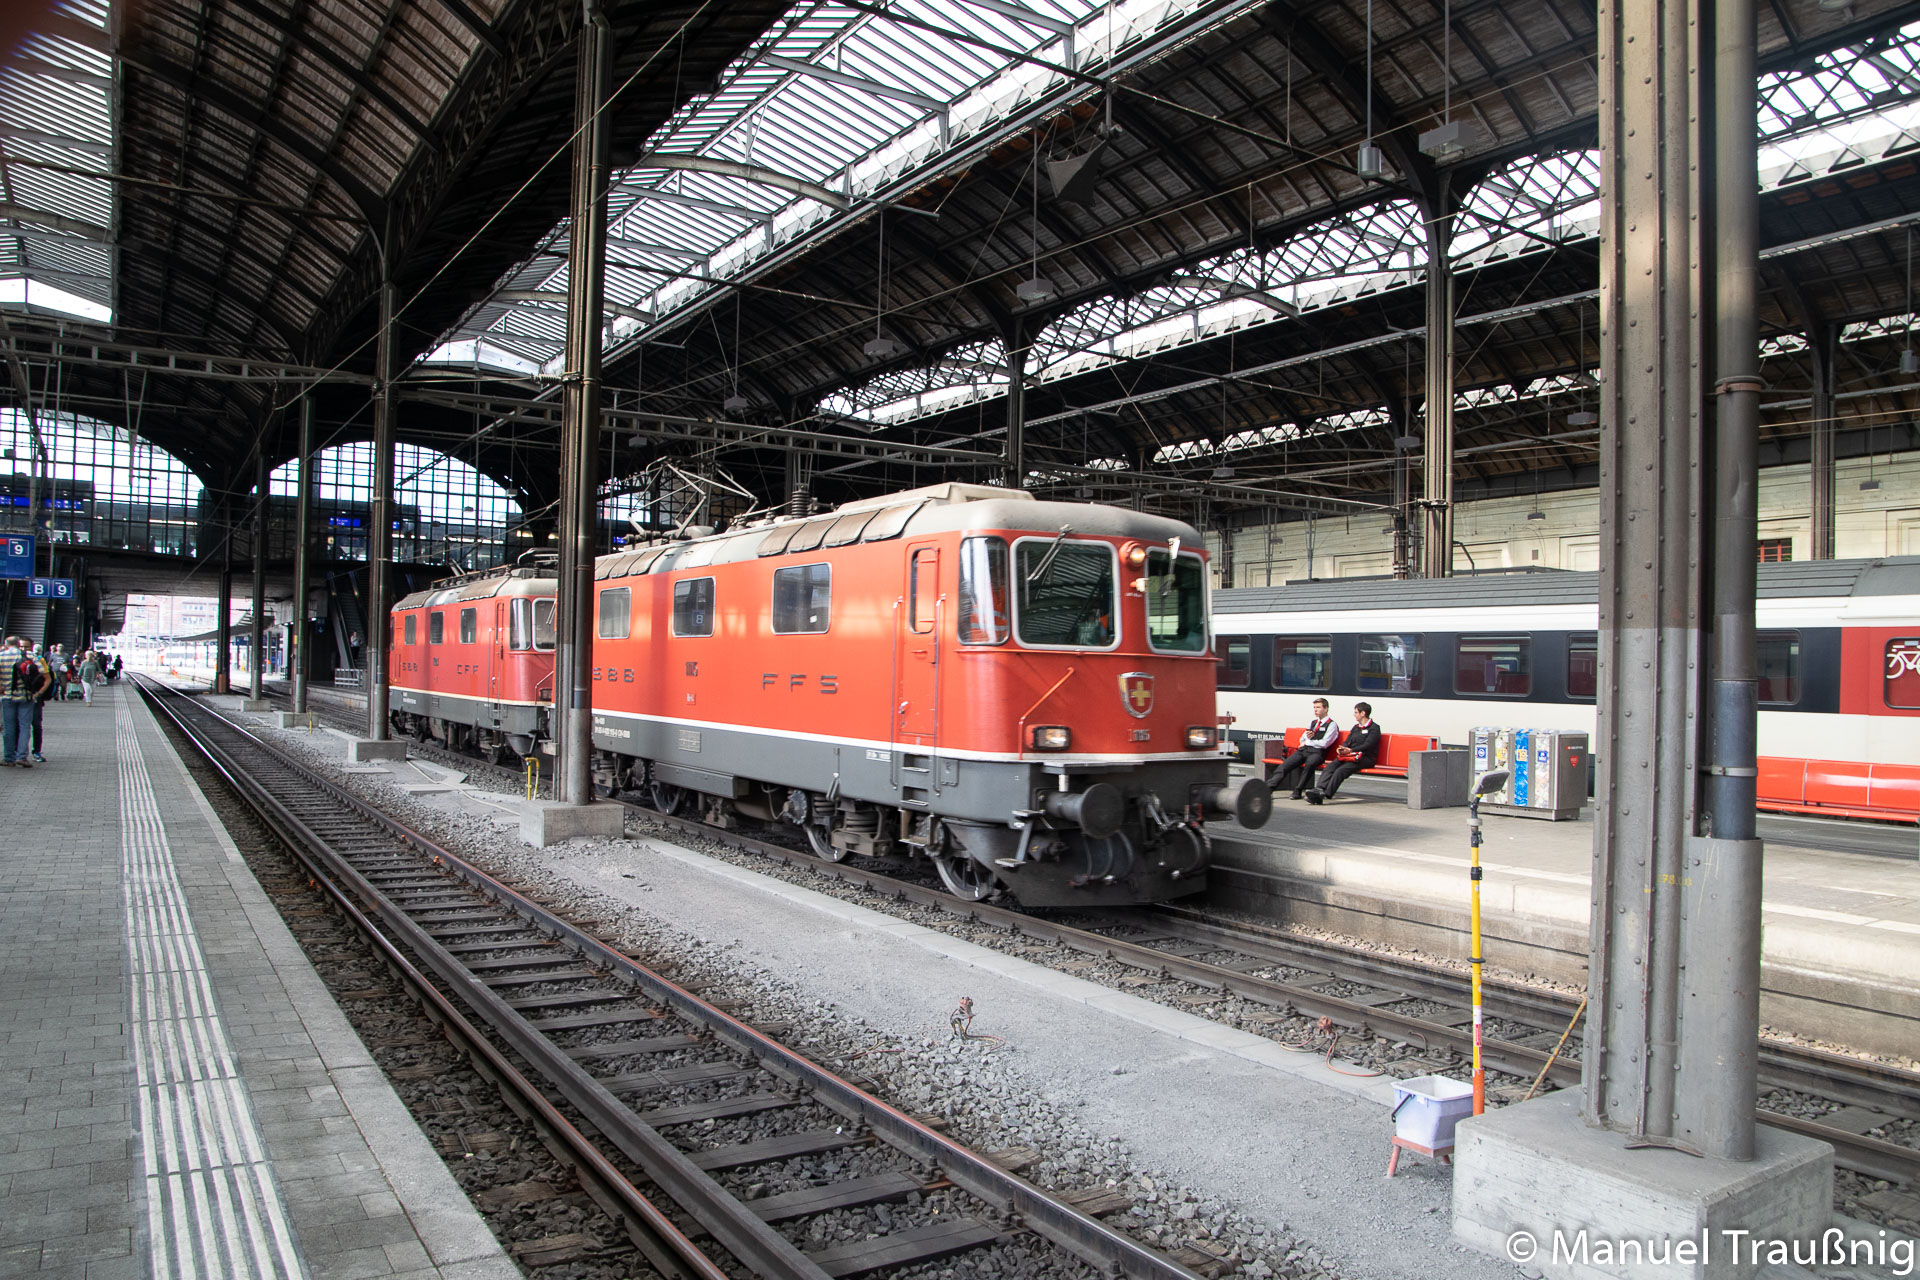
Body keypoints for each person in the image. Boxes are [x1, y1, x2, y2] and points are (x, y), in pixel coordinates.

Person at [1306, 701, 1382, 804]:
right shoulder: (1356, 727)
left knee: (1340, 771)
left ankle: (1325, 794)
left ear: (1363, 713)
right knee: (1331, 766)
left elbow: (1368, 745)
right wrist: (1343, 748)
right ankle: (1319, 789)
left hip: (1365, 758)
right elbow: (1348, 741)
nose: (1354, 715)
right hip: (1350, 756)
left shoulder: (1374, 728)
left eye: (1356, 712)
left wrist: (1351, 750)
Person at [1268, 698, 1341, 800]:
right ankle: (1269, 788)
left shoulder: (1332, 725)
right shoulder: (1313, 723)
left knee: (1310, 765)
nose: (1315, 710)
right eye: (1314, 707)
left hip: (1318, 753)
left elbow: (1325, 743)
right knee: (1285, 765)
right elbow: (1302, 739)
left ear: (1326, 709)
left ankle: (1298, 790)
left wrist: (1308, 742)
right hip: (1304, 750)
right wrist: (1307, 738)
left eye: (1318, 707)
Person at [2, 637, 47, 767]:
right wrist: (36, 692)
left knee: (8, 727)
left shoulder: (1, 656)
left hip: (8, 696)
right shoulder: (30, 656)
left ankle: (9, 758)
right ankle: (22, 756)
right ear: (18, 644)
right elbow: (42, 673)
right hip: (27, 697)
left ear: (6, 645)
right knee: (24, 726)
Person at [27, 643, 55, 762]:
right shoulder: (15, 659)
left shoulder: (39, 660)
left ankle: (36, 751)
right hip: (20, 697)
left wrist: (39, 693)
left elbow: (48, 678)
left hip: (35, 697)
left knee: (36, 724)